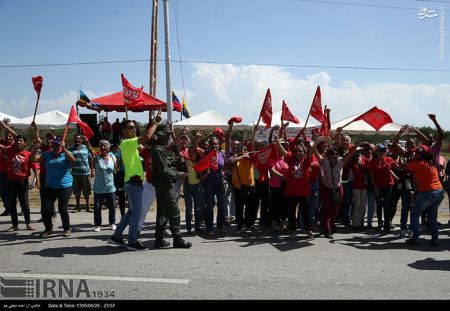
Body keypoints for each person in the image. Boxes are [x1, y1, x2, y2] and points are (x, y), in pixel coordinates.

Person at [108, 118, 158, 251]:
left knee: (131, 212)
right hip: (133, 182)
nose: (134, 129)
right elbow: (147, 137)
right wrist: (155, 124)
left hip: (132, 182)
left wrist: (151, 126)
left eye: (134, 127)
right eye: (130, 127)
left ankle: (116, 236)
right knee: (137, 213)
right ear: (123, 131)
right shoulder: (128, 142)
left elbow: (146, 146)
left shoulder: (130, 143)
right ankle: (132, 241)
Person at [151, 122, 192, 249]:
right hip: (163, 185)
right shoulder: (158, 149)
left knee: (162, 213)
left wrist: (175, 160)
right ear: (161, 135)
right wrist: (178, 173)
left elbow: (166, 163)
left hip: (164, 184)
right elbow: (164, 170)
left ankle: (159, 239)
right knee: (174, 211)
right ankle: (177, 238)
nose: (168, 137)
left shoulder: (161, 149)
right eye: (166, 135)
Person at [402, 145, 444, 246]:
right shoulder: (431, 162)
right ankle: (435, 239)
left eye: (417, 153)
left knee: (415, 214)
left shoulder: (418, 164)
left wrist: (402, 157)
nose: (415, 154)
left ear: (421, 155)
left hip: (427, 192)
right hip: (439, 191)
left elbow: (403, 166)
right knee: (432, 217)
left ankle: (415, 237)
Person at [0, 132, 38, 232]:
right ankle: (15, 225)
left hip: (22, 182)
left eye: (21, 141)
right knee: (12, 204)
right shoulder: (9, 150)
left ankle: (28, 223)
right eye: (16, 141)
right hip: (10, 181)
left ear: (25, 143)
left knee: (24, 204)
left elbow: (35, 168)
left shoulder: (28, 154)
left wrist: (37, 180)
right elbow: (1, 146)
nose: (18, 142)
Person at [39, 137, 76, 237]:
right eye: (54, 145)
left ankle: (67, 228)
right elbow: (36, 160)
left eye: (58, 145)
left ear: (62, 146)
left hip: (65, 186)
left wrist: (64, 150)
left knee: (62, 208)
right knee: (46, 208)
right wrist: (34, 150)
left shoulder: (67, 154)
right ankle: (48, 228)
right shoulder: (47, 154)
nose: (56, 147)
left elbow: (73, 162)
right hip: (50, 186)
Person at [91, 140, 118, 232]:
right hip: (99, 187)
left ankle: (112, 223)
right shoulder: (97, 157)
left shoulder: (112, 156)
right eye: (101, 146)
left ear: (109, 148)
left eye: (105, 146)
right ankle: (98, 225)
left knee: (112, 206)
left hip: (110, 186)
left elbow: (116, 169)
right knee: (97, 207)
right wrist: (87, 143)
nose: (103, 147)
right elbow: (92, 151)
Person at [69, 134, 94, 213]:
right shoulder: (71, 149)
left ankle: (88, 207)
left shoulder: (86, 148)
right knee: (77, 192)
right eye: (75, 138)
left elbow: (91, 159)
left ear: (81, 140)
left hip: (85, 173)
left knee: (87, 191)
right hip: (75, 173)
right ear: (73, 140)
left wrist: (92, 170)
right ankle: (77, 207)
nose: (77, 140)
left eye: (79, 138)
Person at [0, 118, 17, 216]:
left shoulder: (15, 145)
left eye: (10, 136)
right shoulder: (3, 143)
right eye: (7, 136)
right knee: (3, 192)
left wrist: (5, 127)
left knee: (13, 192)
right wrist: (1, 127)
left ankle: (20, 208)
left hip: (12, 172)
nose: (9, 138)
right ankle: (8, 208)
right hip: (2, 171)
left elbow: (15, 135)